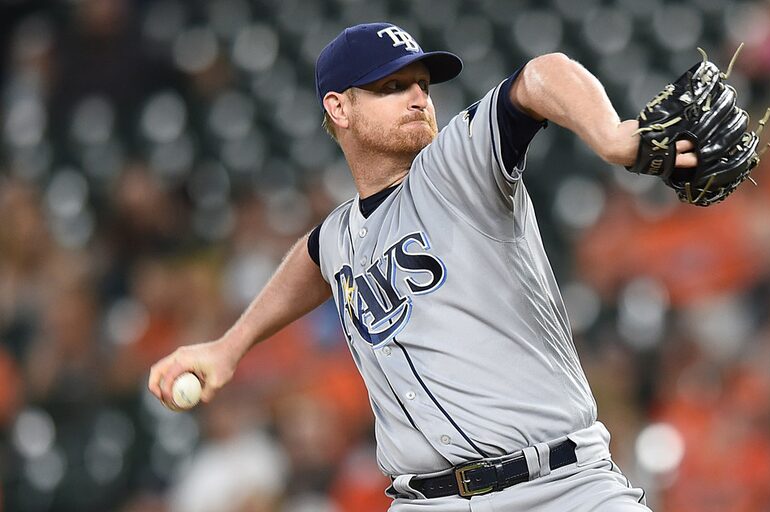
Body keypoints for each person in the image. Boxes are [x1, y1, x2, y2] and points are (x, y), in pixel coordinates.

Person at [149, 22, 698, 511]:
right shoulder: (342, 234)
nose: (417, 98)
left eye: (422, 86)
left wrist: (612, 136)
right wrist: (229, 346)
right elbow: (313, 259)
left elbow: (542, 75)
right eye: (391, 87)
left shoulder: (456, 167)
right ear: (339, 108)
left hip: (561, 488)